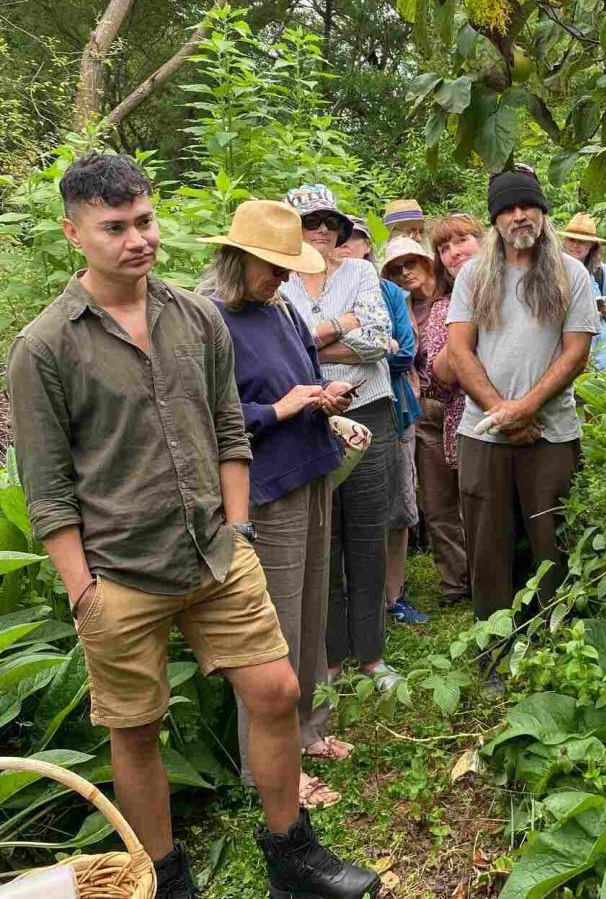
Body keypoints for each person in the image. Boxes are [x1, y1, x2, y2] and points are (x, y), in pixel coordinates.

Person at [7, 155, 377, 899]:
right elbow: (47, 492)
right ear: (73, 232)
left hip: (216, 551)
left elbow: (229, 430)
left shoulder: (194, 317)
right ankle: (164, 880)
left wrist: (238, 528)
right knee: (136, 731)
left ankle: (291, 856)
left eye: (144, 220)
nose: (136, 239)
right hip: (120, 574)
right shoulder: (45, 346)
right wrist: (84, 594)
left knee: (275, 691)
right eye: (114, 227)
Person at [197, 199, 364, 811]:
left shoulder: (284, 309)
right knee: (274, 631)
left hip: (312, 470)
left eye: (288, 266)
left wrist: (324, 397)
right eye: (271, 265)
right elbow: (202, 418)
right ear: (236, 259)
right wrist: (278, 411)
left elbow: (301, 376)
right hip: (264, 488)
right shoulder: (209, 321)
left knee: (312, 610)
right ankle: (268, 766)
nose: (283, 276)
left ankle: (308, 729)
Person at [447, 168, 600, 658]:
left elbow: (576, 352)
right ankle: (494, 649)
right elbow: (459, 351)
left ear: (542, 212)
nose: (519, 216)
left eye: (527, 206)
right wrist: (503, 414)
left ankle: (554, 651)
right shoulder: (473, 274)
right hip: (483, 434)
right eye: (508, 209)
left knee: (551, 543)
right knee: (489, 548)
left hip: (551, 433)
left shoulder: (570, 273)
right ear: (494, 219)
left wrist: (526, 408)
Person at [279, 185, 401, 694]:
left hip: (370, 410)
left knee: (369, 534)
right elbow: (283, 348)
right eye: (310, 222)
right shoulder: (279, 282)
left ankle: (371, 654)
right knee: (319, 540)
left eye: (329, 221)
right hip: (308, 420)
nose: (322, 230)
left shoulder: (361, 272)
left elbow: (381, 341)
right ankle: (328, 656)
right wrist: (341, 326)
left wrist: (314, 338)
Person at [414, 213, 485, 606]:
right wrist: (460, 354)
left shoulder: (508, 290)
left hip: (508, 416)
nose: (454, 253)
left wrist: (457, 356)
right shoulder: (443, 306)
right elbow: (438, 375)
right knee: (444, 504)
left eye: (462, 241)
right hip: (457, 414)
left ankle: (489, 578)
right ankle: (456, 583)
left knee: (483, 505)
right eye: (444, 247)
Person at [373, 237, 429, 626]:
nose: (405, 272)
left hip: (398, 410)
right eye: (395, 266)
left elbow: (403, 355)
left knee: (400, 506)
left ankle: (393, 595)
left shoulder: (391, 296)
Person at [559, 213, 606, 371]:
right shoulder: (553, 270)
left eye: (583, 242)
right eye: (572, 240)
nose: (576, 245)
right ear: (564, 241)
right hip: (563, 356)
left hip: (601, 358)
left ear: (592, 245)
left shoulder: (601, 272)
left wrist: (603, 308)